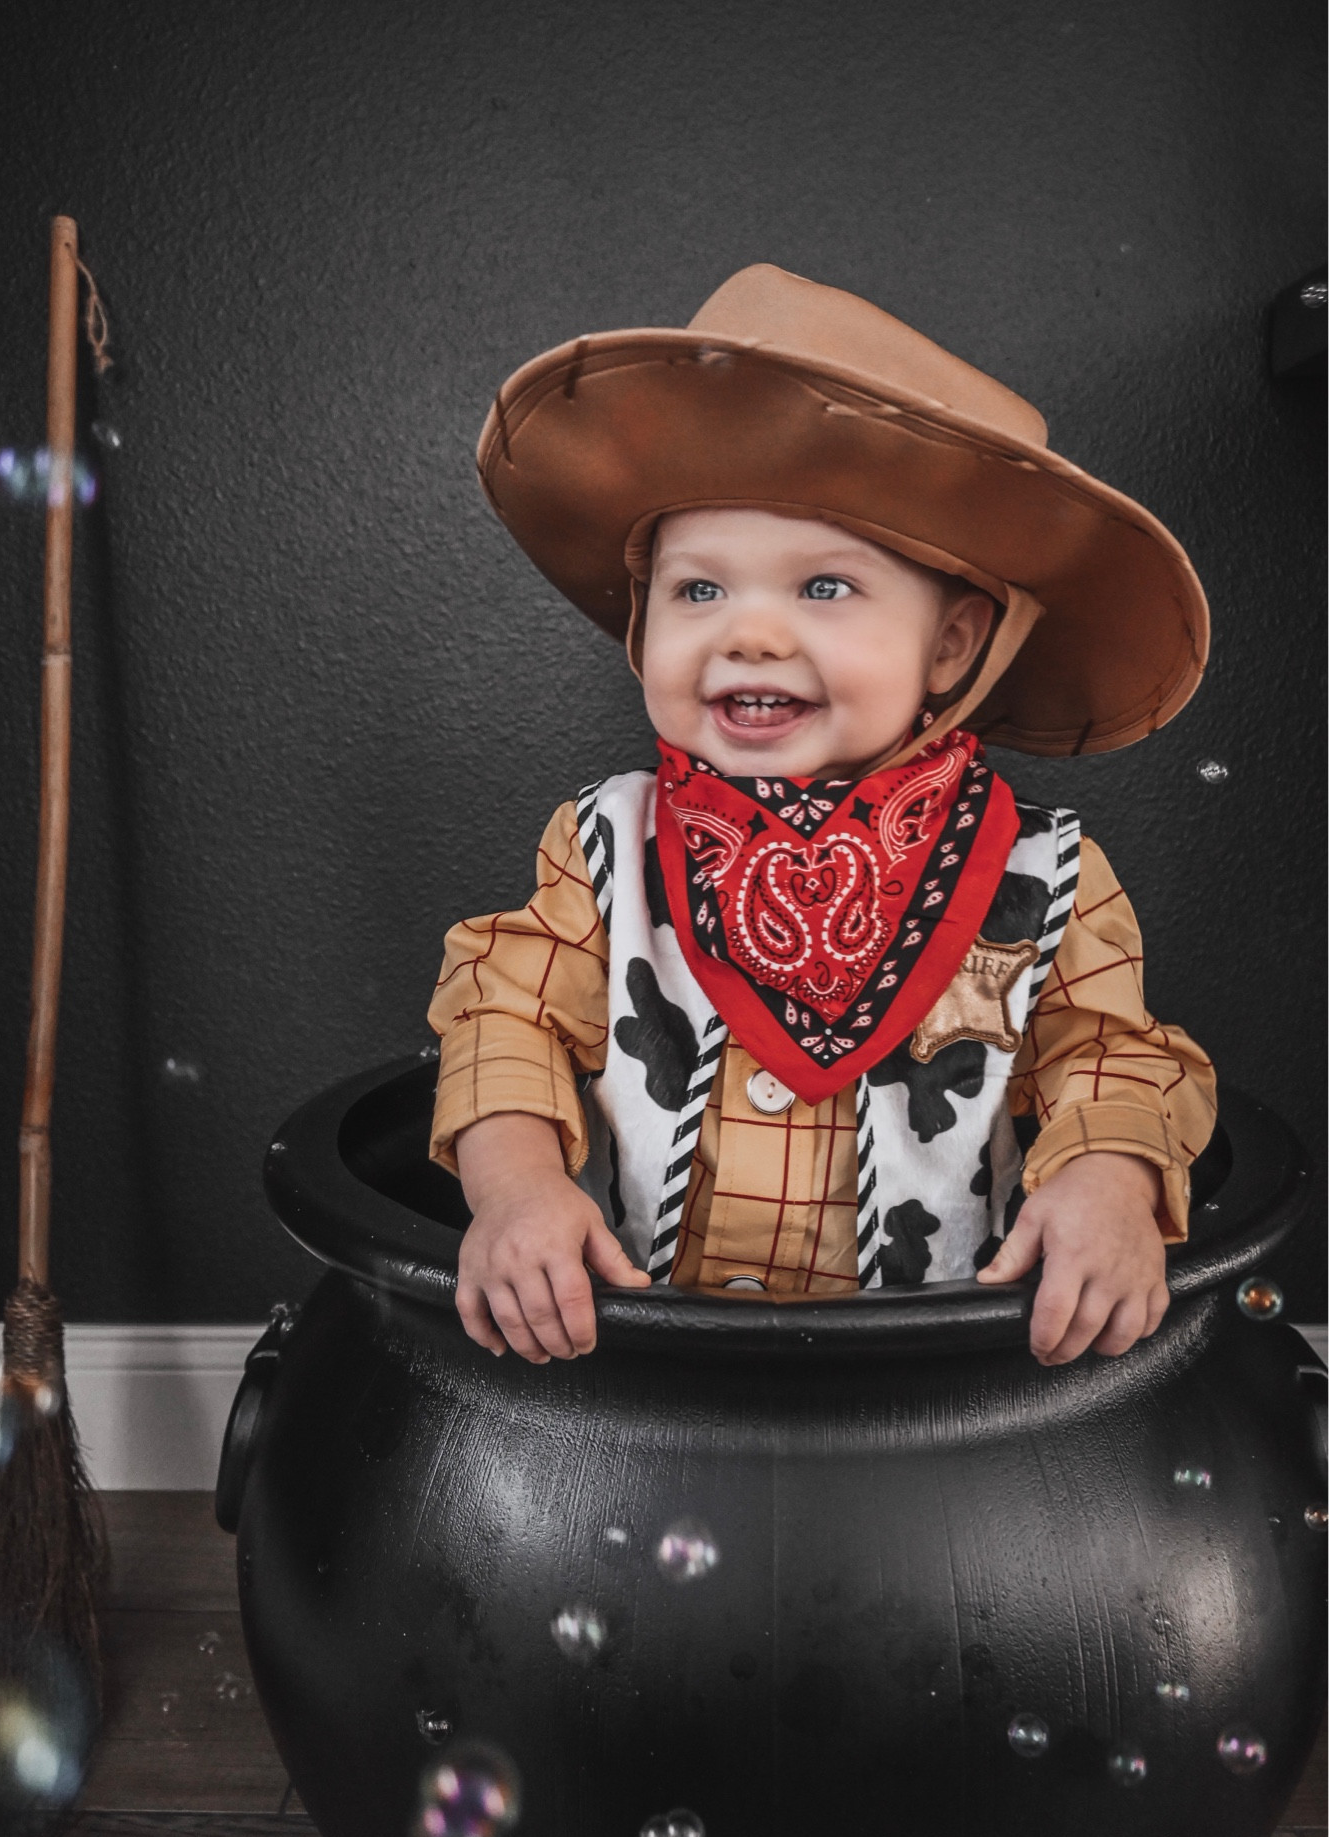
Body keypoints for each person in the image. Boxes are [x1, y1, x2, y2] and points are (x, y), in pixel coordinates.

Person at [428, 265, 1216, 1371]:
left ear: (951, 646)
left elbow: (1109, 1058)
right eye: (698, 590)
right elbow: (501, 1024)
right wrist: (515, 1189)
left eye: (824, 588)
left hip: (936, 1373)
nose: (747, 634)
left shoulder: (1041, 874)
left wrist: (1107, 1181)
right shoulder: (604, 846)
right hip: (653, 1362)